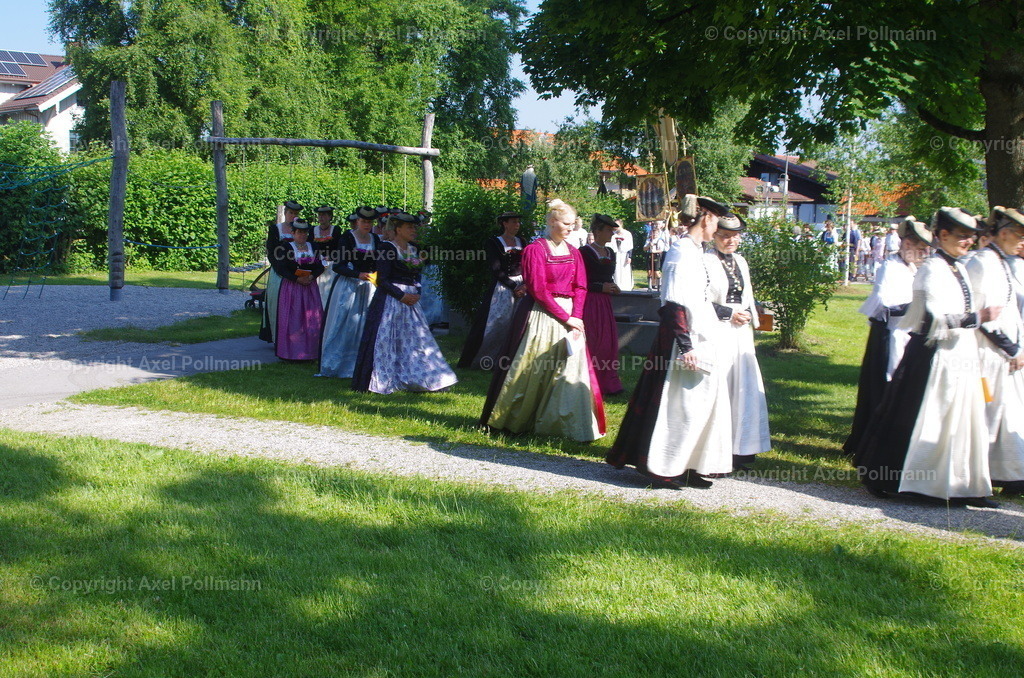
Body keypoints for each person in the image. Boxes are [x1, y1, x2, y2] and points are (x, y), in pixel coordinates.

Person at [855, 207, 1000, 507]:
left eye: (971, 238)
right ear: (943, 235)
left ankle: (964, 484)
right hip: (934, 357)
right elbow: (934, 318)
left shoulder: (958, 267)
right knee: (925, 416)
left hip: (962, 353)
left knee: (963, 418)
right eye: (962, 237)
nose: (968, 243)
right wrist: (976, 317)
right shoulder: (931, 268)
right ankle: (901, 479)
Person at [606, 196, 733, 489]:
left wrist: (724, 314)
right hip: (681, 339)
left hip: (700, 335)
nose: (718, 228)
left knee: (699, 404)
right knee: (678, 404)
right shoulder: (680, 252)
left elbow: (700, 301)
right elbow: (673, 303)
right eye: (716, 220)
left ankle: (687, 464)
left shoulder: (697, 251)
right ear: (707, 219)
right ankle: (662, 466)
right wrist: (686, 346)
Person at [480, 199, 606, 442]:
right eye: (565, 223)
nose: (570, 228)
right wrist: (565, 317)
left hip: (570, 316)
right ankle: (514, 419)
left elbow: (581, 286)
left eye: (573, 224)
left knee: (570, 369)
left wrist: (577, 316)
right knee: (530, 367)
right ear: (551, 222)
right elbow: (537, 289)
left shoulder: (573, 253)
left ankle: (564, 423)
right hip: (541, 314)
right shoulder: (535, 250)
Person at [843, 217, 933, 457]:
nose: (922, 252)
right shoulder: (889, 267)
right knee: (883, 386)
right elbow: (886, 301)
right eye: (917, 247)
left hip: (909, 334)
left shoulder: (917, 269)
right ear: (904, 244)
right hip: (890, 334)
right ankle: (869, 444)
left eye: (925, 248)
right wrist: (919, 307)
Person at [352, 212, 457, 394]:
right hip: (390, 302)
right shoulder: (387, 248)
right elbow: (382, 280)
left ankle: (427, 376)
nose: (413, 230)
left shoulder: (414, 249)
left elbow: (417, 275)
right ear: (397, 229)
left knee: (418, 341)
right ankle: (385, 377)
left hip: (410, 303)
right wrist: (401, 296)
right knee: (386, 340)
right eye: (409, 227)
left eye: (414, 227)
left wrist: (417, 292)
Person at [705, 213, 771, 468]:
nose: (730, 240)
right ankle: (719, 445)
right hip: (719, 328)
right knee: (724, 383)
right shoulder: (707, 261)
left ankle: (743, 446)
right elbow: (700, 300)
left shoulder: (741, 261)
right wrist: (729, 313)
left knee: (743, 383)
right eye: (724, 236)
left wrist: (751, 317)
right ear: (715, 236)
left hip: (741, 333)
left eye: (734, 236)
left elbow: (747, 294)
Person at [966, 206, 1024, 496]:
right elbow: (983, 317)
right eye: (1019, 235)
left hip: (1003, 358)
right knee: (985, 415)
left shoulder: (1003, 262)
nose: (1022, 242)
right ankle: (975, 480)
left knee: (1008, 415)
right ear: (1003, 234)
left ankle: (1011, 475)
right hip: (986, 357)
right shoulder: (984, 263)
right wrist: (1012, 349)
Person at [317, 206, 382, 379]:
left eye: (370, 222)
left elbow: (380, 262)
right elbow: (339, 266)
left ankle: (364, 365)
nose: (367, 225)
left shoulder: (375, 239)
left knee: (367, 324)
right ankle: (339, 365)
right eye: (364, 221)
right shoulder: (347, 238)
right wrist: (357, 274)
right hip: (349, 288)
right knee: (346, 324)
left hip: (370, 287)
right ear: (357, 222)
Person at [458, 211, 527, 369]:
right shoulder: (494, 243)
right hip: (502, 287)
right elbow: (495, 269)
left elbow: (527, 265)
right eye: (514, 222)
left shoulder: (522, 241)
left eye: (518, 222)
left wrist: (525, 285)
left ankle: (511, 361)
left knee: (519, 323)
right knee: (496, 322)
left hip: (522, 286)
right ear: (505, 223)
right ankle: (484, 360)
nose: (517, 225)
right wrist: (514, 286)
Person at [581, 213, 624, 395]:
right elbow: (581, 281)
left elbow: (608, 277)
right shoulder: (584, 252)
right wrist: (600, 287)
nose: (611, 234)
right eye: (608, 230)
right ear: (597, 231)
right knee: (594, 340)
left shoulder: (610, 252)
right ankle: (590, 380)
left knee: (608, 341)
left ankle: (608, 381)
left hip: (605, 303)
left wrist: (614, 287)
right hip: (590, 302)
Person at [272, 219, 324, 360]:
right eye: (299, 232)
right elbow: (281, 268)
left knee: (311, 318)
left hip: (309, 287)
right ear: (293, 233)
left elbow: (320, 266)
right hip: (292, 287)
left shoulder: (313, 246)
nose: (302, 235)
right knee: (293, 319)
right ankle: (290, 352)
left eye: (305, 232)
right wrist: (296, 279)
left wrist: (312, 276)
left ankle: (310, 352)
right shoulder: (286, 247)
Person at [259, 200, 302, 344]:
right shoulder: (275, 229)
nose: (293, 216)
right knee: (277, 303)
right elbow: (271, 252)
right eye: (291, 213)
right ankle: (278, 337)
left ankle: (295, 336)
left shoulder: (302, 230)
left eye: (296, 213)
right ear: (285, 213)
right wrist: (279, 269)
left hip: (297, 271)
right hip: (279, 271)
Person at [312, 205, 341, 309]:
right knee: (317, 291)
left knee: (329, 292)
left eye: (324, 215)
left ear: (330, 217)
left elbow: (339, 248)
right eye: (319, 215)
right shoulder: (313, 230)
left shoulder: (336, 230)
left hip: (331, 265)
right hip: (317, 264)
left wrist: (331, 257)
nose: (321, 217)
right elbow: (310, 247)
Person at [644, 220, 670, 290]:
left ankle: (659, 285)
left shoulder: (660, 240)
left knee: (656, 271)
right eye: (653, 234)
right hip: (649, 255)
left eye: (655, 234)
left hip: (656, 256)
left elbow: (661, 249)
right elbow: (644, 248)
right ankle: (650, 286)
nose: (654, 235)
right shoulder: (649, 240)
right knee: (649, 271)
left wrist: (655, 251)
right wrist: (649, 245)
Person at [610, 219, 634, 291]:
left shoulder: (627, 234)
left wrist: (629, 256)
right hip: (616, 255)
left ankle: (626, 287)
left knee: (625, 270)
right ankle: (617, 285)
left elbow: (630, 246)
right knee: (616, 271)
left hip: (624, 255)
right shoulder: (613, 234)